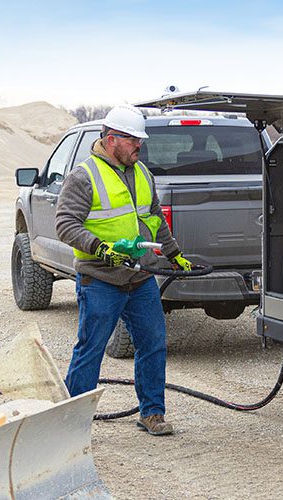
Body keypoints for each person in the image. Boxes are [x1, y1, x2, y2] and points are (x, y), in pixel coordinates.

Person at [55, 105, 192, 436]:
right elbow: (64, 223)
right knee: (91, 348)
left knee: (153, 343)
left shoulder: (143, 173)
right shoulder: (84, 176)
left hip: (140, 277)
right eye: (132, 140)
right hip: (100, 279)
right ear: (112, 138)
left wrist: (173, 253)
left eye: (140, 141)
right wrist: (100, 248)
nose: (138, 147)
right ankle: (71, 424)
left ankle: (152, 413)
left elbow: (154, 217)